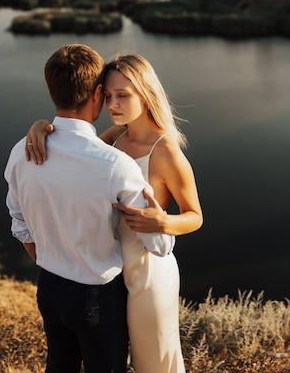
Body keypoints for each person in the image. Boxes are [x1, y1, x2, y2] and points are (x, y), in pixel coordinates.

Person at [25, 52, 203, 373]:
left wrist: (164, 221)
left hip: (149, 272)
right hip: (111, 273)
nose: (113, 105)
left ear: (146, 95)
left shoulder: (166, 152)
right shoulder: (116, 136)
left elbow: (195, 216)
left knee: (155, 363)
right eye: (107, 96)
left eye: (123, 95)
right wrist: (43, 126)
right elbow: (75, 143)